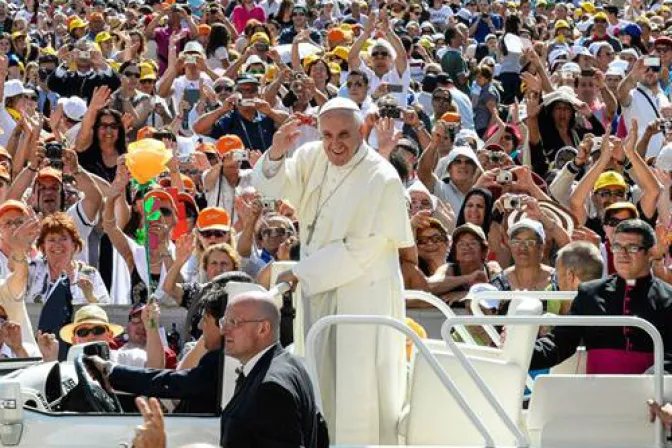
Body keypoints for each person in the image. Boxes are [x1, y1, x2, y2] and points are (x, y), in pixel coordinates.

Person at [253, 97, 414, 444]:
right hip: (321, 286)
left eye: (344, 134)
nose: (335, 144)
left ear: (361, 132)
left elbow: (364, 249)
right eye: (327, 135)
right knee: (321, 378)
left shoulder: (381, 177)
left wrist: (302, 272)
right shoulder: (313, 157)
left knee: (360, 389)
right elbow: (272, 187)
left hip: (363, 293)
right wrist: (278, 152)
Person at [84, 273, 253, 415]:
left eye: (205, 318)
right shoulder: (219, 357)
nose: (200, 326)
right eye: (83, 332)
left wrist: (111, 372)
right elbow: (181, 376)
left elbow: (174, 382)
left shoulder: (223, 361)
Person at [530, 220, 672, 373]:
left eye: (632, 248)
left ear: (650, 253)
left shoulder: (668, 297)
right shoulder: (590, 293)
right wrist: (523, 352)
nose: (623, 254)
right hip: (597, 391)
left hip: (650, 392)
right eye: (617, 247)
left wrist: (652, 379)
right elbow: (561, 342)